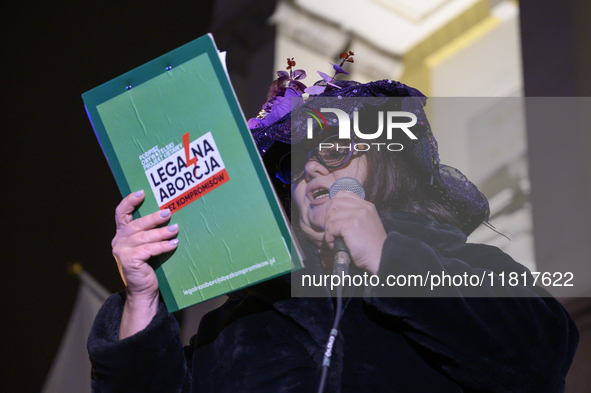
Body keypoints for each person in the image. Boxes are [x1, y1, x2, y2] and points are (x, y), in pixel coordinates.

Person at [88, 59, 579, 392]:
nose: (312, 170)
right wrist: (141, 299)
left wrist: (391, 265)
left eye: (334, 150)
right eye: (293, 166)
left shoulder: (472, 269)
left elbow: (538, 362)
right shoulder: (238, 322)